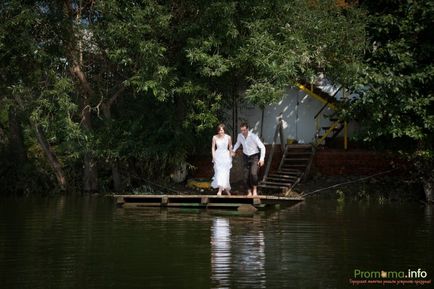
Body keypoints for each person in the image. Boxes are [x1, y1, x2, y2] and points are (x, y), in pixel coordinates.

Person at [232, 122, 266, 196]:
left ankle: (254, 190)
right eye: (241, 130)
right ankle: (249, 191)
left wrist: (262, 159)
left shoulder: (254, 136)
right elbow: (238, 143)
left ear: (247, 129)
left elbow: (262, 147)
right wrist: (233, 150)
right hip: (245, 156)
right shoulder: (240, 136)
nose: (243, 132)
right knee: (245, 176)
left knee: (253, 174)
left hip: (254, 156)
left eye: (244, 130)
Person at [211, 124, 233, 196]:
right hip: (218, 156)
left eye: (222, 130)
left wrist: (231, 153)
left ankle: (221, 190)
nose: (221, 131)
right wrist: (213, 157)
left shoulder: (228, 137)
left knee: (225, 173)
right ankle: (225, 190)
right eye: (220, 130)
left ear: (224, 130)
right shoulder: (214, 137)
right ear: (218, 130)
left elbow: (230, 146)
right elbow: (213, 148)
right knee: (219, 172)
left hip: (226, 156)